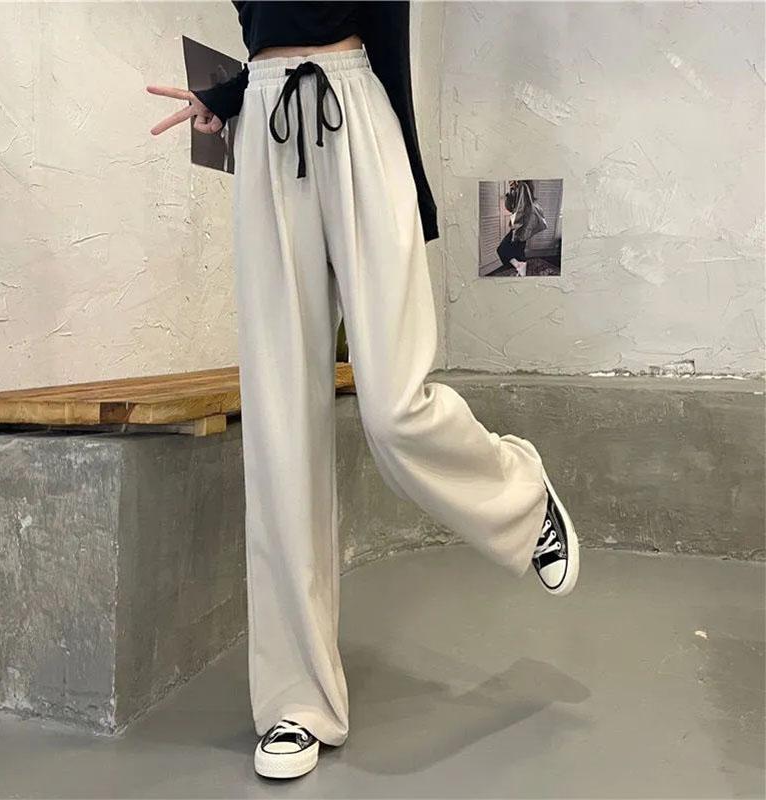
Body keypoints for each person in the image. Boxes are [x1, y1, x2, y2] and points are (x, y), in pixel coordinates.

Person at [148, 0, 579, 781]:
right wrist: (232, 93)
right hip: (268, 124)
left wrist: (412, 188)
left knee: (394, 405)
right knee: (280, 428)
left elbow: (384, 30)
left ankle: (519, 493)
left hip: (356, 107)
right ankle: (297, 701)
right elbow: (267, 23)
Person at [496, 179, 546, 277]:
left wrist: (515, 228)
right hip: (523, 225)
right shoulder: (518, 188)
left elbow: (520, 209)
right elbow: (510, 208)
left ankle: (519, 267)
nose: (509, 181)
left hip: (520, 225)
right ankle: (521, 272)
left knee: (502, 249)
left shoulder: (522, 186)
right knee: (519, 251)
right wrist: (510, 193)